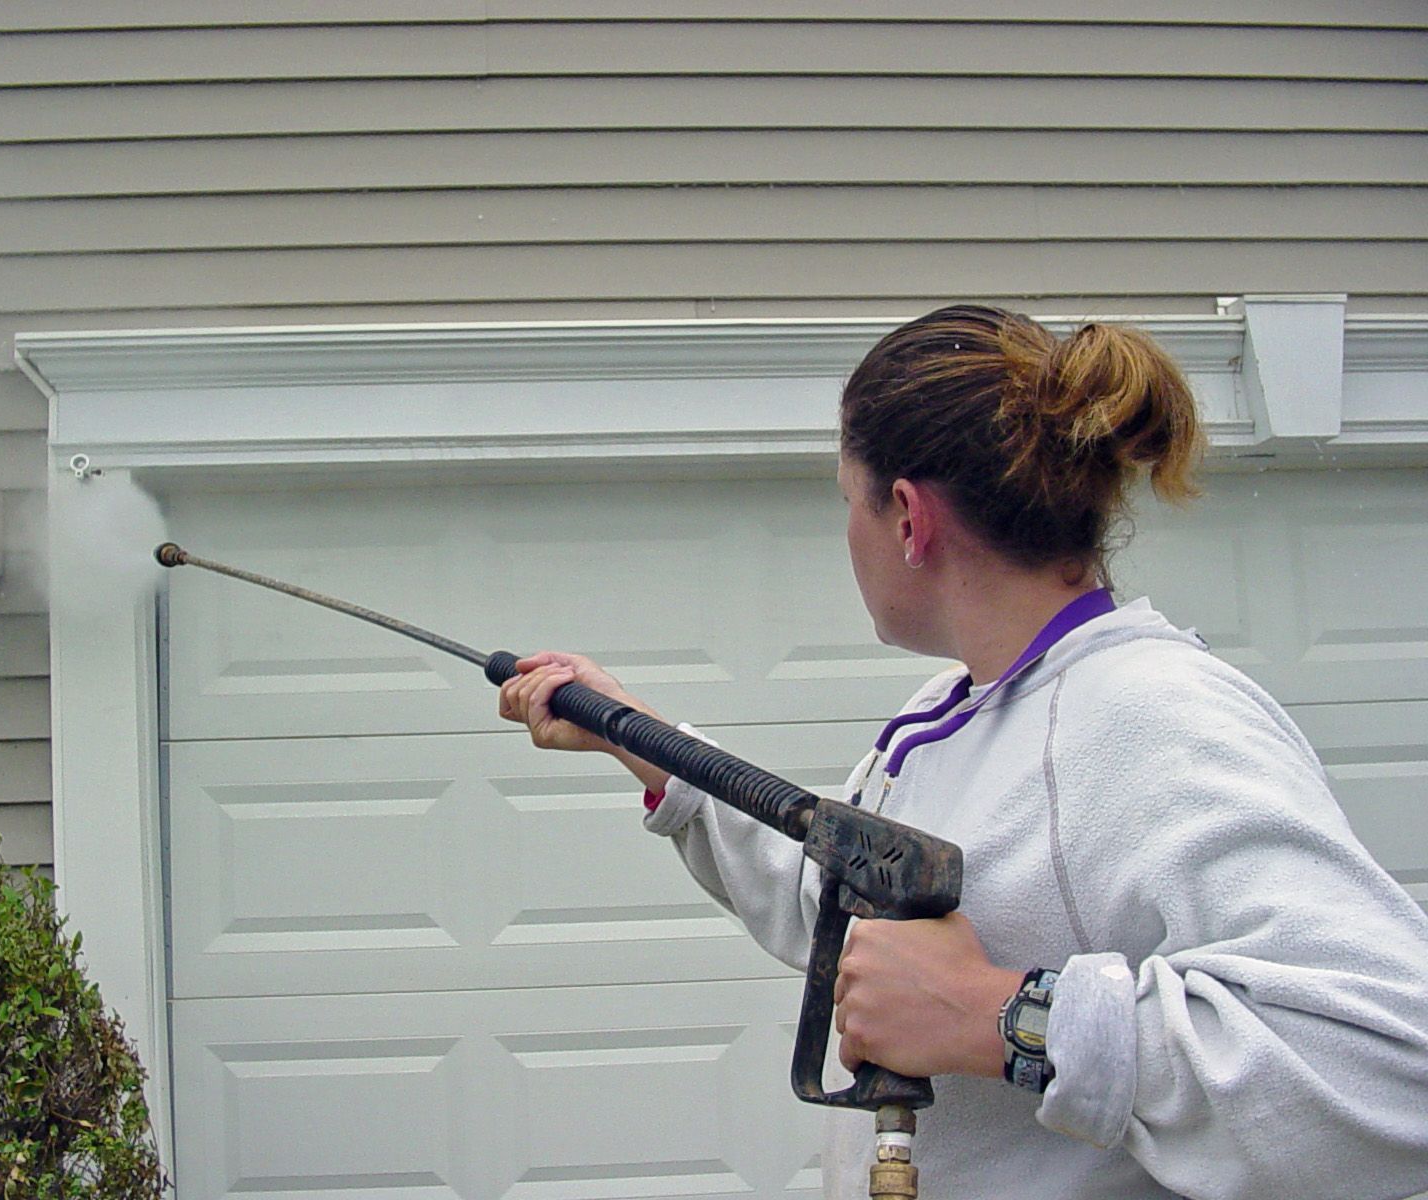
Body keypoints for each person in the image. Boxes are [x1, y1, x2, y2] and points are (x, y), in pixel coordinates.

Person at [496, 304, 1428, 1199]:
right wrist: (649, 744)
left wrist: (999, 1016)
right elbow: (841, 909)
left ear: (908, 517)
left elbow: (1386, 1069)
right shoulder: (966, 708)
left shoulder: (1148, 715)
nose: (847, 535)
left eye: (846, 503)